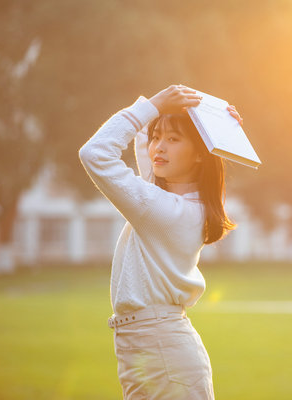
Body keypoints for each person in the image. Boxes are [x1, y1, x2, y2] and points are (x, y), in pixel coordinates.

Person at [79, 84, 243, 399]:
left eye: (173, 139)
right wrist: (217, 125)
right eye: (158, 138)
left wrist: (152, 105)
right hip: (155, 351)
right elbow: (143, 139)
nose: (159, 147)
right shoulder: (174, 203)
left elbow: (95, 153)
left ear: (199, 153)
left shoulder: (165, 210)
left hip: (162, 355)